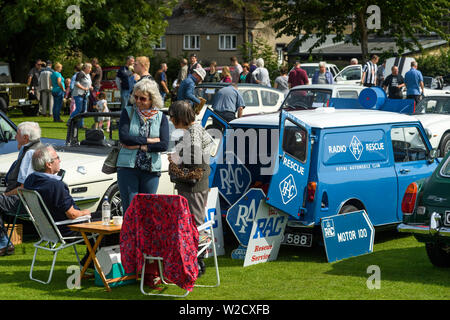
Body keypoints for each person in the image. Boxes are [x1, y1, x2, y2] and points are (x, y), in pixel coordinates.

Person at [23, 145, 93, 264]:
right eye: (57, 158)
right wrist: (85, 212)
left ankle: (90, 261)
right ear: (48, 164)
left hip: (48, 230)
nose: (60, 160)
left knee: (103, 218)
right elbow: (72, 215)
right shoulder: (56, 185)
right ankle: (93, 263)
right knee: (111, 224)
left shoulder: (31, 180)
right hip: (68, 229)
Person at [168, 100, 215, 276]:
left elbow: (194, 160)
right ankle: (195, 261)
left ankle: (197, 263)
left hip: (193, 187)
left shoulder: (192, 133)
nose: (171, 120)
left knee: (194, 224)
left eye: (173, 116)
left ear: (180, 116)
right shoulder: (195, 130)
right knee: (195, 223)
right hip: (196, 185)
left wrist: (176, 161)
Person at [117, 79, 169, 214]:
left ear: (153, 99)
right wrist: (150, 140)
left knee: (148, 211)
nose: (138, 101)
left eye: (143, 98)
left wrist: (140, 146)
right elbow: (124, 138)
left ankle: (145, 236)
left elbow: (163, 144)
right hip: (128, 167)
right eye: (136, 97)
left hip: (151, 169)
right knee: (130, 210)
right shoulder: (128, 112)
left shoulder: (161, 117)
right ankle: (130, 235)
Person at [0, 122, 42, 256]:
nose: (14, 136)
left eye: (17, 133)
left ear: (26, 138)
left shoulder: (30, 153)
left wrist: (6, 195)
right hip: (28, 198)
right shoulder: (32, 149)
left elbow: (24, 187)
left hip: (27, 201)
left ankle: (3, 243)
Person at [71, 63, 93, 129]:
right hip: (78, 94)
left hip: (85, 94)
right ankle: (70, 121)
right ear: (85, 68)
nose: (90, 69)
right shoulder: (80, 73)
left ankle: (81, 125)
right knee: (79, 109)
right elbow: (76, 83)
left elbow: (88, 83)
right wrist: (84, 88)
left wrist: (90, 87)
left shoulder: (88, 75)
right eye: (89, 68)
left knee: (83, 110)